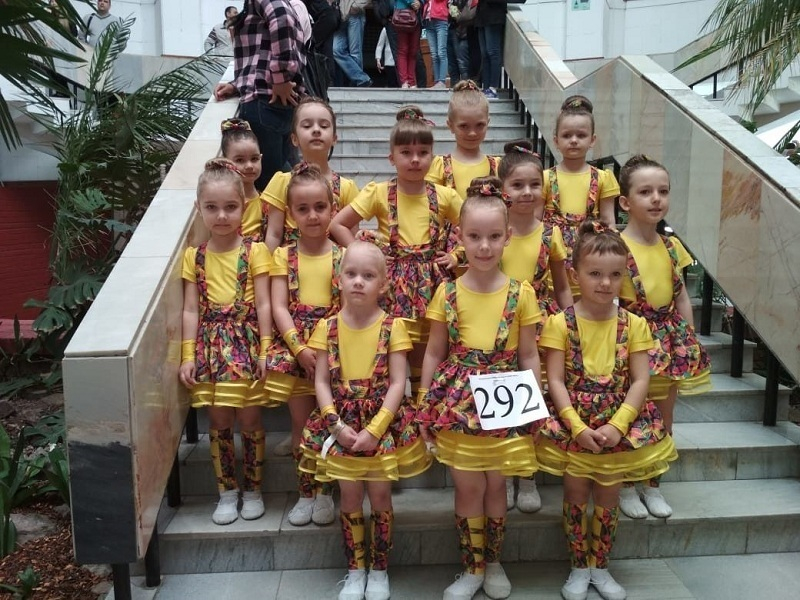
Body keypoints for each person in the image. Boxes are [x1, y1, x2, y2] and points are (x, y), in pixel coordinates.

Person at [535, 220, 678, 600]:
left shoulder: (635, 325)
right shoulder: (559, 324)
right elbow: (555, 381)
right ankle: (578, 566)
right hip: (574, 422)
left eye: (615, 275)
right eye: (595, 273)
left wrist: (618, 426)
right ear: (575, 275)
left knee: (609, 496)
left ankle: (600, 565)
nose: (605, 283)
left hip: (618, 422)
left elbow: (641, 380)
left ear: (624, 276)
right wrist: (576, 427)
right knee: (575, 493)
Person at [417, 178, 542, 600]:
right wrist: (424, 404)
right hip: (458, 403)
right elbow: (435, 351)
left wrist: (535, 407)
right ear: (460, 237)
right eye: (474, 237)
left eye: (493, 237)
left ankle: (494, 561)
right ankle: (471, 566)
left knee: (495, 485)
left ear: (508, 237)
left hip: (506, 402)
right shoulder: (447, 291)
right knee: (468, 486)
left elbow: (529, 354)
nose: (484, 246)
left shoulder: (522, 294)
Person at [300, 232, 431, 600]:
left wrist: (375, 430)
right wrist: (335, 425)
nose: (358, 281)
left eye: (368, 275)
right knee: (349, 496)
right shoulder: (326, 327)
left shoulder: (394, 327)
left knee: (381, 496)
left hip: (380, 424)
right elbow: (321, 380)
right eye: (351, 274)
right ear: (338, 278)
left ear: (383, 284)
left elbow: (398, 383)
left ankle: (380, 569)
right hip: (341, 421)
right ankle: (356, 569)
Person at [329, 106, 463, 404]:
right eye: (406, 152)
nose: (415, 159)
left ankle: (422, 408)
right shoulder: (378, 192)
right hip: (393, 285)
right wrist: (363, 255)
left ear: (433, 157)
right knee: (394, 346)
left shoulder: (445, 196)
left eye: (423, 152)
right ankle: (395, 411)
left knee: (427, 349)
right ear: (392, 157)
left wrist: (457, 254)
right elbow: (338, 224)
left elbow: (474, 227)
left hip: (432, 284)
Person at [616, 155, 711, 520]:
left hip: (668, 344)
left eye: (663, 191)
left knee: (663, 415)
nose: (656, 198)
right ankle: (626, 483)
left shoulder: (671, 246)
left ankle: (652, 483)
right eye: (645, 192)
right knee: (629, 413)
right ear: (625, 202)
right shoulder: (615, 246)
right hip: (630, 342)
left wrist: (689, 338)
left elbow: (680, 294)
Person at [179, 158, 273, 525]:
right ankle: (226, 491)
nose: (221, 216)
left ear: (244, 207)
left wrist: (265, 348)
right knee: (218, 420)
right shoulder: (194, 257)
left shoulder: (256, 251)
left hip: (246, 347)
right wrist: (188, 355)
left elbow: (263, 303)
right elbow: (191, 309)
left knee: (249, 417)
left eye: (230, 207)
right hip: (210, 350)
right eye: (212, 207)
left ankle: (254, 489)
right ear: (198, 208)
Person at [265, 163, 342, 527]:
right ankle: (305, 492)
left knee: (329, 420)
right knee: (300, 424)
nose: (312, 215)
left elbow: (347, 309)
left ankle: (325, 492)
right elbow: (279, 306)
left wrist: (324, 351)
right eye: (303, 208)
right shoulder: (283, 255)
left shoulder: (343, 256)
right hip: (296, 350)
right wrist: (299, 348)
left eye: (320, 207)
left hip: (334, 350)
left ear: (332, 208)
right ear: (290, 213)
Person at [498, 140, 573, 514]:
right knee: (504, 395)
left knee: (533, 396)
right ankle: (504, 470)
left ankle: (527, 474)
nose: (527, 192)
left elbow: (562, 285)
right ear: (502, 190)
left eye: (534, 184)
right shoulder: (494, 233)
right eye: (517, 185)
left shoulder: (550, 234)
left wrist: (572, 321)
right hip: (499, 324)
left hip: (540, 324)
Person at [213, 0, 307, 191]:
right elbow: (259, 53)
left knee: (269, 184)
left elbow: (281, 20)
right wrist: (237, 84)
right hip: (274, 100)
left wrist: (280, 77)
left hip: (264, 102)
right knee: (281, 178)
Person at [263, 96, 359, 251]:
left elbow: (352, 238)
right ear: (294, 139)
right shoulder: (281, 182)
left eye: (324, 126)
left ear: (334, 138)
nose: (316, 130)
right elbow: (274, 234)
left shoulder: (347, 188)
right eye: (307, 126)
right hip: (289, 264)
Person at [544, 95, 619, 294]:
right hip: (553, 260)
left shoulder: (603, 178)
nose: (574, 140)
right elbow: (535, 222)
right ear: (556, 140)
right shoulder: (544, 178)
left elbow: (608, 222)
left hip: (590, 256)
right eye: (567, 135)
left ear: (592, 140)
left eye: (581, 135)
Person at [426, 80, 498, 200]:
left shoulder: (497, 166)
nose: (472, 133)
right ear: (450, 126)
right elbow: (430, 205)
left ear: (488, 123)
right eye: (464, 126)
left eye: (480, 125)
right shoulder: (439, 167)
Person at [218, 119, 264, 241]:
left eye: (254, 159)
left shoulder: (268, 202)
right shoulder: (220, 205)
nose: (249, 166)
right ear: (225, 161)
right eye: (239, 160)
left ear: (261, 158)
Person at [333, 0, 372, 87]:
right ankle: (362, 79)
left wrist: (357, 6)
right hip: (339, 16)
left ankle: (358, 83)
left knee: (355, 52)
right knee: (335, 49)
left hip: (355, 15)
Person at [473, 0, 506, 99]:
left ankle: (493, 87)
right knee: (485, 54)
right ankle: (486, 87)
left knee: (493, 52)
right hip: (482, 17)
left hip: (493, 16)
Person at [393, 0, 422, 88]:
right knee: (403, 49)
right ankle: (404, 81)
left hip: (417, 15)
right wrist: (412, 2)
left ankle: (412, 81)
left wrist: (420, 3)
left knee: (413, 50)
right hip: (402, 13)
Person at [425, 0, 450, 88]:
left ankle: (442, 81)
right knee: (434, 55)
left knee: (441, 52)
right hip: (428, 21)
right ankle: (437, 82)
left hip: (441, 19)